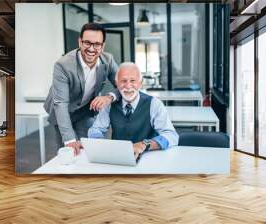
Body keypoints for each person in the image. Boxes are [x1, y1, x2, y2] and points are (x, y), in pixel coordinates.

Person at [44, 23, 119, 156]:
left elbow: (123, 85)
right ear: (80, 42)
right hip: (61, 110)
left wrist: (109, 97)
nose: (91, 49)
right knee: (68, 152)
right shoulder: (63, 65)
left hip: (84, 111)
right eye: (87, 43)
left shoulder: (108, 60)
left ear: (103, 46)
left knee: (92, 147)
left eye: (97, 44)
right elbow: (60, 104)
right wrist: (70, 140)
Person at [88, 62, 178, 158]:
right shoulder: (109, 105)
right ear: (116, 84)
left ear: (140, 83)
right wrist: (99, 142)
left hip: (149, 157)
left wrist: (145, 144)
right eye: (123, 81)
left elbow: (171, 135)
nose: (128, 86)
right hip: (119, 158)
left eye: (133, 81)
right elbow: (96, 129)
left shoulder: (154, 104)